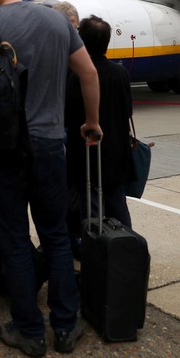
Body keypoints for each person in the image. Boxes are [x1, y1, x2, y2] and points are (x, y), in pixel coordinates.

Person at [0, 0, 101, 357]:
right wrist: (91, 122)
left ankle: (29, 331)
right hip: (51, 145)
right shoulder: (58, 20)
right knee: (56, 235)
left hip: (5, 148)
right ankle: (65, 327)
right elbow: (88, 72)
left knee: (16, 239)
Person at [66, 15, 134, 230]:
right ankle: (125, 245)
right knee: (118, 203)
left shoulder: (77, 74)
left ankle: (96, 247)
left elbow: (69, 113)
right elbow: (128, 110)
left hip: (87, 150)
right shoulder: (120, 72)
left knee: (91, 204)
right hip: (116, 149)